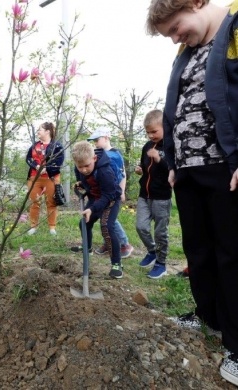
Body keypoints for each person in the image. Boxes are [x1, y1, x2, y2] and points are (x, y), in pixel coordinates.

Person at [146, 0, 238, 385]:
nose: (174, 39)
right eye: (169, 35)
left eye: (175, 28)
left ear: (197, 2)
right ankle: (209, 317)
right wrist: (172, 159)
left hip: (225, 169)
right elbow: (176, 109)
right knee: (198, 250)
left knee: (231, 254)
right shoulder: (187, 52)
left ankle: (237, 344)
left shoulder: (235, 29)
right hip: (187, 172)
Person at [70, 141, 123, 278]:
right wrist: (81, 185)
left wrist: (92, 209)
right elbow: (84, 180)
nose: (84, 170)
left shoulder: (104, 171)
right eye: (80, 166)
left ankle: (117, 264)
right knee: (84, 223)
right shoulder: (80, 167)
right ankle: (87, 248)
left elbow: (108, 194)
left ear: (94, 158)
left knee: (106, 226)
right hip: (95, 198)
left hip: (110, 199)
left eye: (87, 166)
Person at [135, 109, 172, 279]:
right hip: (144, 195)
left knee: (160, 232)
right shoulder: (147, 146)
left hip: (161, 197)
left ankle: (161, 263)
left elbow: (173, 170)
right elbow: (145, 167)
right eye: (148, 132)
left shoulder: (170, 146)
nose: (150, 135)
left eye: (154, 131)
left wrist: (159, 159)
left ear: (164, 126)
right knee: (141, 226)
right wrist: (140, 170)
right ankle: (152, 251)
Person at [87, 127, 134, 259]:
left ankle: (124, 244)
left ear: (106, 138)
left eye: (97, 140)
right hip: (101, 192)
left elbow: (122, 174)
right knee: (105, 218)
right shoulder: (101, 154)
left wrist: (122, 191)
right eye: (94, 141)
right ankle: (108, 243)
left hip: (111, 192)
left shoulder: (113, 154)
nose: (95, 143)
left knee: (109, 221)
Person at [25, 122, 64, 236]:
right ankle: (33, 227)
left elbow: (59, 161)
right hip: (34, 178)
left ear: (47, 131)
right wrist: (36, 166)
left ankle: (52, 228)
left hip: (50, 178)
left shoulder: (57, 146)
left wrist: (47, 168)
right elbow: (28, 158)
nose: (38, 132)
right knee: (34, 202)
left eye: (40, 130)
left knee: (51, 202)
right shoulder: (34, 146)